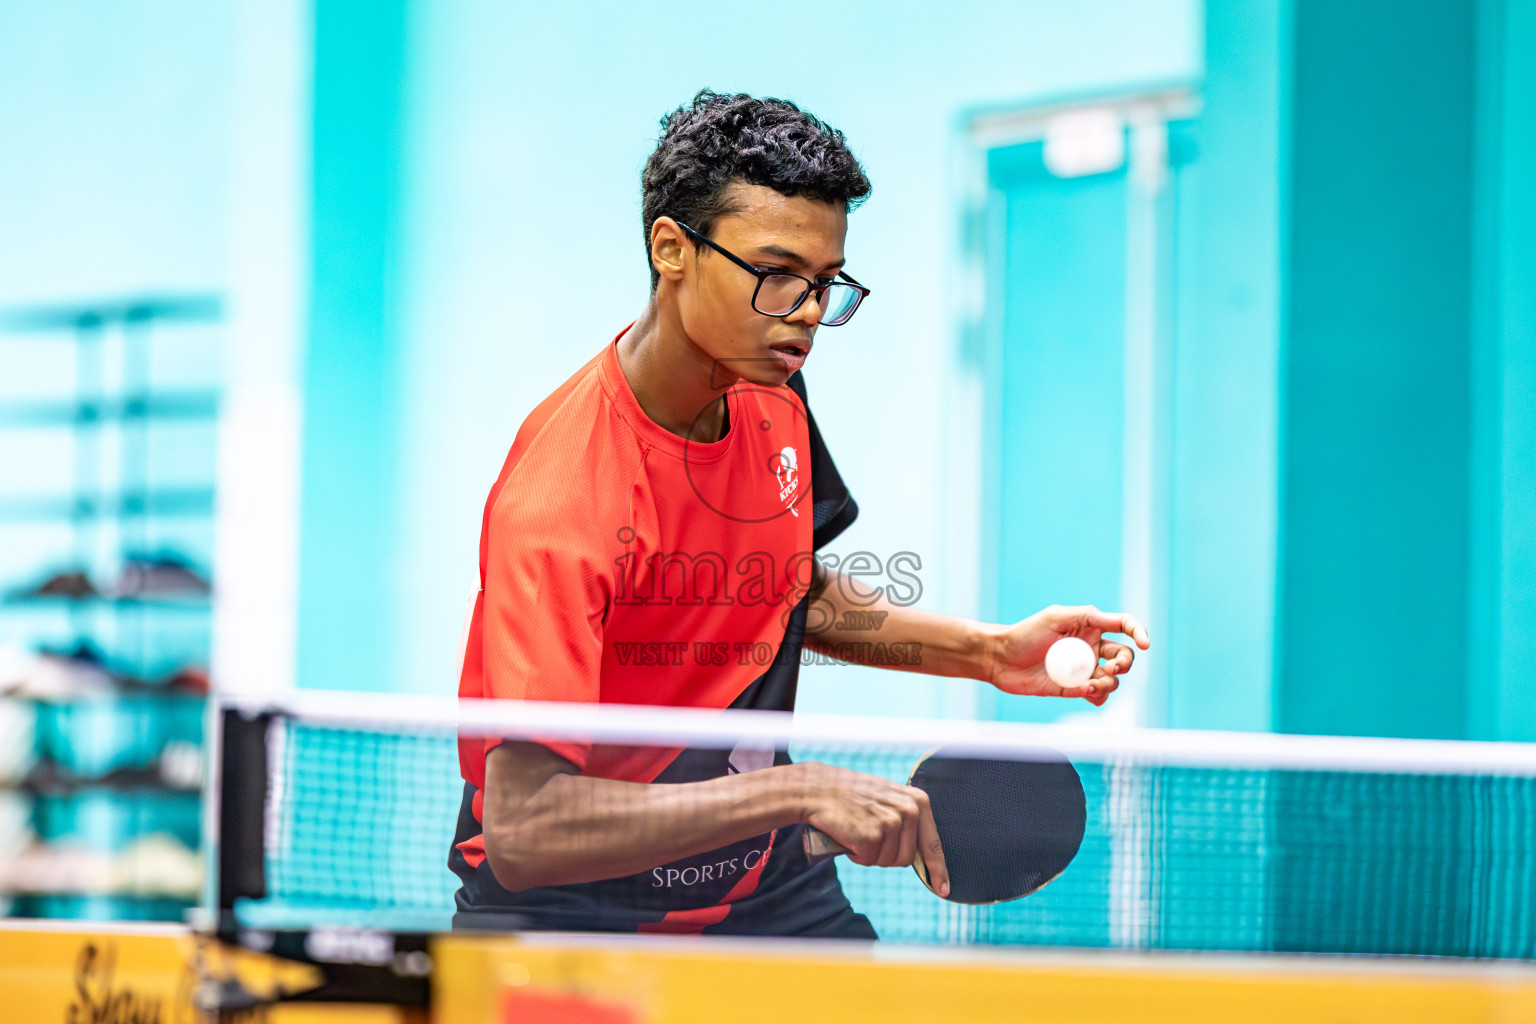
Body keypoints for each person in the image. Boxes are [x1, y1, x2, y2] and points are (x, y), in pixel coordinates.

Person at [448, 89, 1150, 937]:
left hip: (761, 886)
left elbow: (778, 591)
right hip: (575, 907)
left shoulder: (771, 392)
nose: (811, 313)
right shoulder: (565, 496)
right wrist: (799, 790)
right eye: (778, 276)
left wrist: (988, 652)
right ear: (671, 249)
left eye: (825, 283)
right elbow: (525, 831)